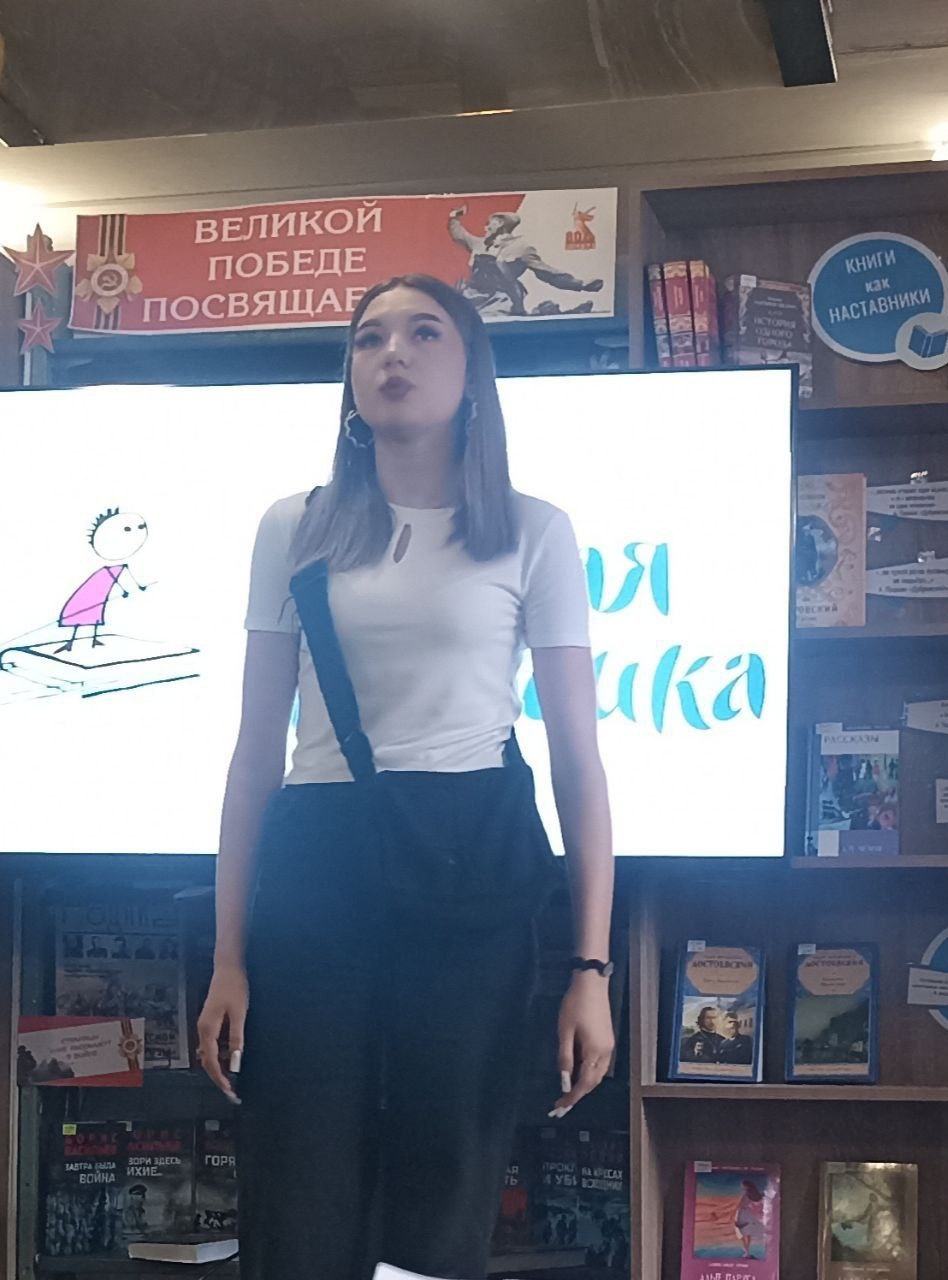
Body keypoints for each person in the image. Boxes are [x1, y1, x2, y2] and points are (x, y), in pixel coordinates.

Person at [196, 274, 614, 1280]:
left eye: (424, 333)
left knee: (447, 1171)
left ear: (471, 372)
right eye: (369, 337)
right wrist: (226, 956)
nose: (392, 353)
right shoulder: (292, 525)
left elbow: (577, 757)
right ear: (348, 377)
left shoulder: (533, 528)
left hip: (470, 856)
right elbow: (254, 750)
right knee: (299, 1173)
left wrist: (588, 970)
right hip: (317, 860)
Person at [447, 207, 604, 317]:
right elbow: (459, 234)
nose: (486, 227)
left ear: (500, 224)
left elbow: (548, 273)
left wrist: (581, 285)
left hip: (499, 300)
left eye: (489, 223)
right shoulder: (479, 244)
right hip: (471, 298)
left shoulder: (521, 248)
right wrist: (454, 217)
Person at [55, 509, 150, 653]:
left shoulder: (118, 566)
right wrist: (127, 590)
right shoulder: (107, 569)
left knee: (95, 613)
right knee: (84, 613)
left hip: (99, 595)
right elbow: (116, 578)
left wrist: (135, 587)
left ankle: (92, 639)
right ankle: (72, 641)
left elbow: (122, 577)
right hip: (91, 595)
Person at [734, 1181, 767, 1259]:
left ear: (746, 1186)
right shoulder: (751, 1195)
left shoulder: (746, 1195)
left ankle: (746, 1252)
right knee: (748, 1233)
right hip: (748, 1214)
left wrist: (733, 1214)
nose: (741, 1187)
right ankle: (747, 1251)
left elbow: (739, 1206)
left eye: (743, 1186)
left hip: (742, 1213)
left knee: (742, 1233)